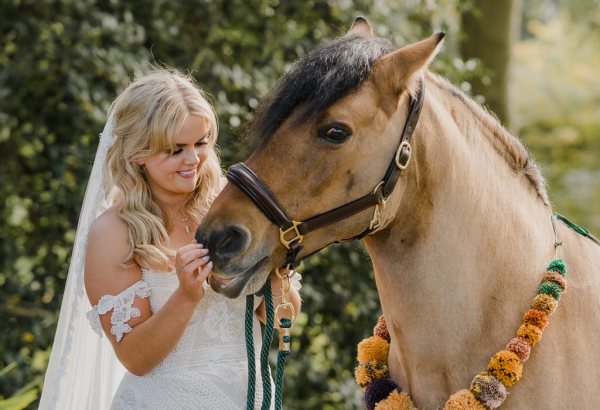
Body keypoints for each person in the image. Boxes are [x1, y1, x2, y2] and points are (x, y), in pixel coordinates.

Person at [39, 69, 301, 410]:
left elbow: (283, 318)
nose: (193, 160)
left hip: (252, 397)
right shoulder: (114, 232)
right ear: (138, 153)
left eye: (201, 142)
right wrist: (186, 295)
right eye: (176, 149)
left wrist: (274, 270)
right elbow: (136, 358)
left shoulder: (230, 207)